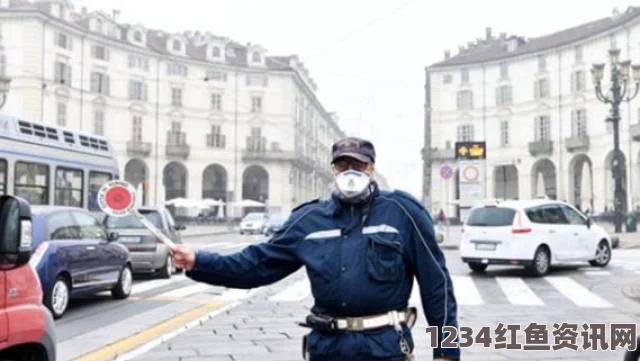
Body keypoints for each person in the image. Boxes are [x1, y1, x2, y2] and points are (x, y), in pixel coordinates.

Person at [169, 137, 460, 361]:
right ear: (332, 169)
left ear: (371, 169)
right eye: (342, 165)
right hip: (327, 348)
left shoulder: (402, 212)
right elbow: (256, 265)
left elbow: (437, 285)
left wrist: (446, 352)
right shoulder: (309, 220)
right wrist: (198, 261)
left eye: (358, 165)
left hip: (385, 347)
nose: (350, 172)